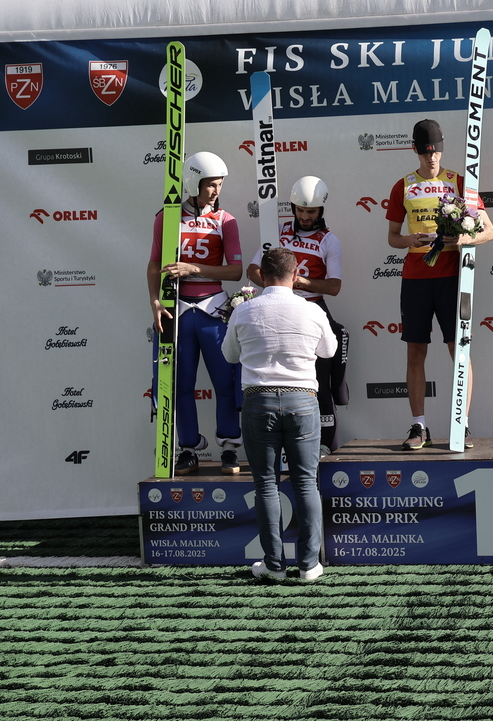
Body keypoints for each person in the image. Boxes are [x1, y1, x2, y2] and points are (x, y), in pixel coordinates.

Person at [222, 247, 337, 581]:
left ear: (261, 275)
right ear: (296, 273)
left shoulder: (244, 310)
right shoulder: (312, 310)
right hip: (302, 400)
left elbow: (229, 355)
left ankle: (274, 565)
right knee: (305, 482)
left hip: (258, 401)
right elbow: (329, 350)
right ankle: (309, 565)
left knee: (266, 484)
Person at [386, 118, 493, 451]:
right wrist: (409, 240)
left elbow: (490, 230)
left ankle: (461, 423)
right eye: (425, 152)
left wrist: (464, 238)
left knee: (458, 349)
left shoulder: (460, 182)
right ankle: (419, 426)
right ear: (415, 150)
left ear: (442, 149)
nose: (431, 158)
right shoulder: (403, 186)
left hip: (452, 278)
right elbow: (392, 238)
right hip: (415, 279)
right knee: (415, 351)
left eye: (436, 151)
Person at [148, 151, 244, 475]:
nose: (216, 191)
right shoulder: (167, 217)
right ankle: (188, 448)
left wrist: (195, 268)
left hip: (213, 309)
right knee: (181, 385)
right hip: (177, 312)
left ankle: (229, 447)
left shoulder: (226, 220)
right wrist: (154, 301)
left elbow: (235, 271)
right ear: (193, 182)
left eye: (219, 185)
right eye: (210, 185)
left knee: (225, 382)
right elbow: (154, 264)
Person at [247, 176, 349, 453]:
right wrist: (277, 285)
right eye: (300, 210)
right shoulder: (277, 233)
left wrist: (299, 282)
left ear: (321, 210)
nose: (304, 216)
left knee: (321, 383)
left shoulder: (329, 241)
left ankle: (327, 447)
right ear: (292, 207)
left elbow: (334, 286)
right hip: (278, 309)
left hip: (312, 311)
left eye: (311, 211)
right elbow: (253, 269)